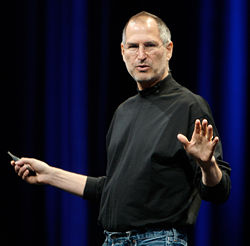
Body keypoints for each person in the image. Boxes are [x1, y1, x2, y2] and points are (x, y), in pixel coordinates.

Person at [11, 11, 231, 246]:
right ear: (122, 52)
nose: (141, 55)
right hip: (113, 240)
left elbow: (219, 192)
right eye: (133, 46)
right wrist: (49, 175)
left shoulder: (190, 106)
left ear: (169, 50)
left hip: (158, 240)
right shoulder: (123, 111)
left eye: (150, 45)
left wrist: (207, 165)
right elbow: (112, 190)